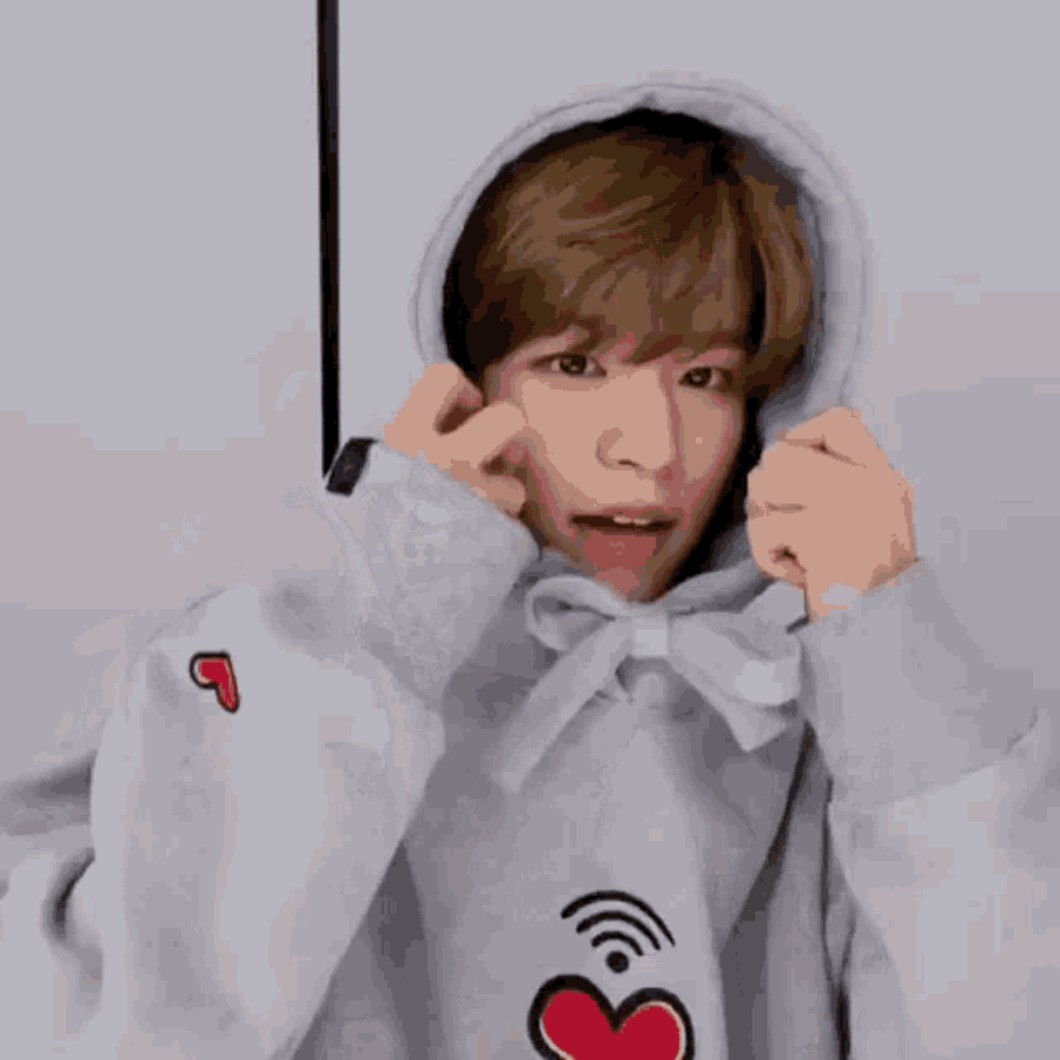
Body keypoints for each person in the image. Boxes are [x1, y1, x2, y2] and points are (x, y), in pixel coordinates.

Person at [1, 83, 1055, 1059]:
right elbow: (110, 1028)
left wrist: (896, 660)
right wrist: (380, 610)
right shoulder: (290, 667)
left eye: (704, 376)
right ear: (466, 376)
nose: (649, 449)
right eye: (576, 365)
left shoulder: (827, 719)